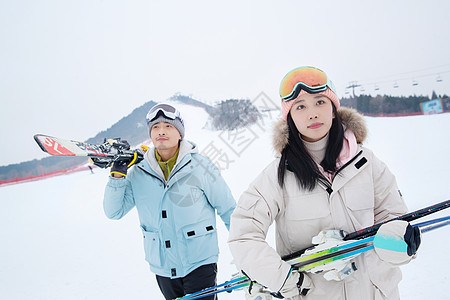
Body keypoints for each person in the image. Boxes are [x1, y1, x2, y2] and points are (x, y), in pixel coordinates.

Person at [228, 66, 421, 300]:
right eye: (300, 106)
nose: (312, 113)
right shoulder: (275, 176)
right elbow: (243, 236)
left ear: (333, 110)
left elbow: (394, 219)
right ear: (290, 119)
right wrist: (283, 279)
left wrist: (398, 242)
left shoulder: (368, 164)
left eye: (320, 102)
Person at [99, 103, 236, 300]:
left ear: (180, 133)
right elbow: (114, 212)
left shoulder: (200, 166)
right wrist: (117, 177)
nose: (161, 131)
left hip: (200, 262)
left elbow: (228, 208)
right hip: (163, 267)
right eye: (155, 127)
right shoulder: (139, 173)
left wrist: (246, 249)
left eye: (168, 126)